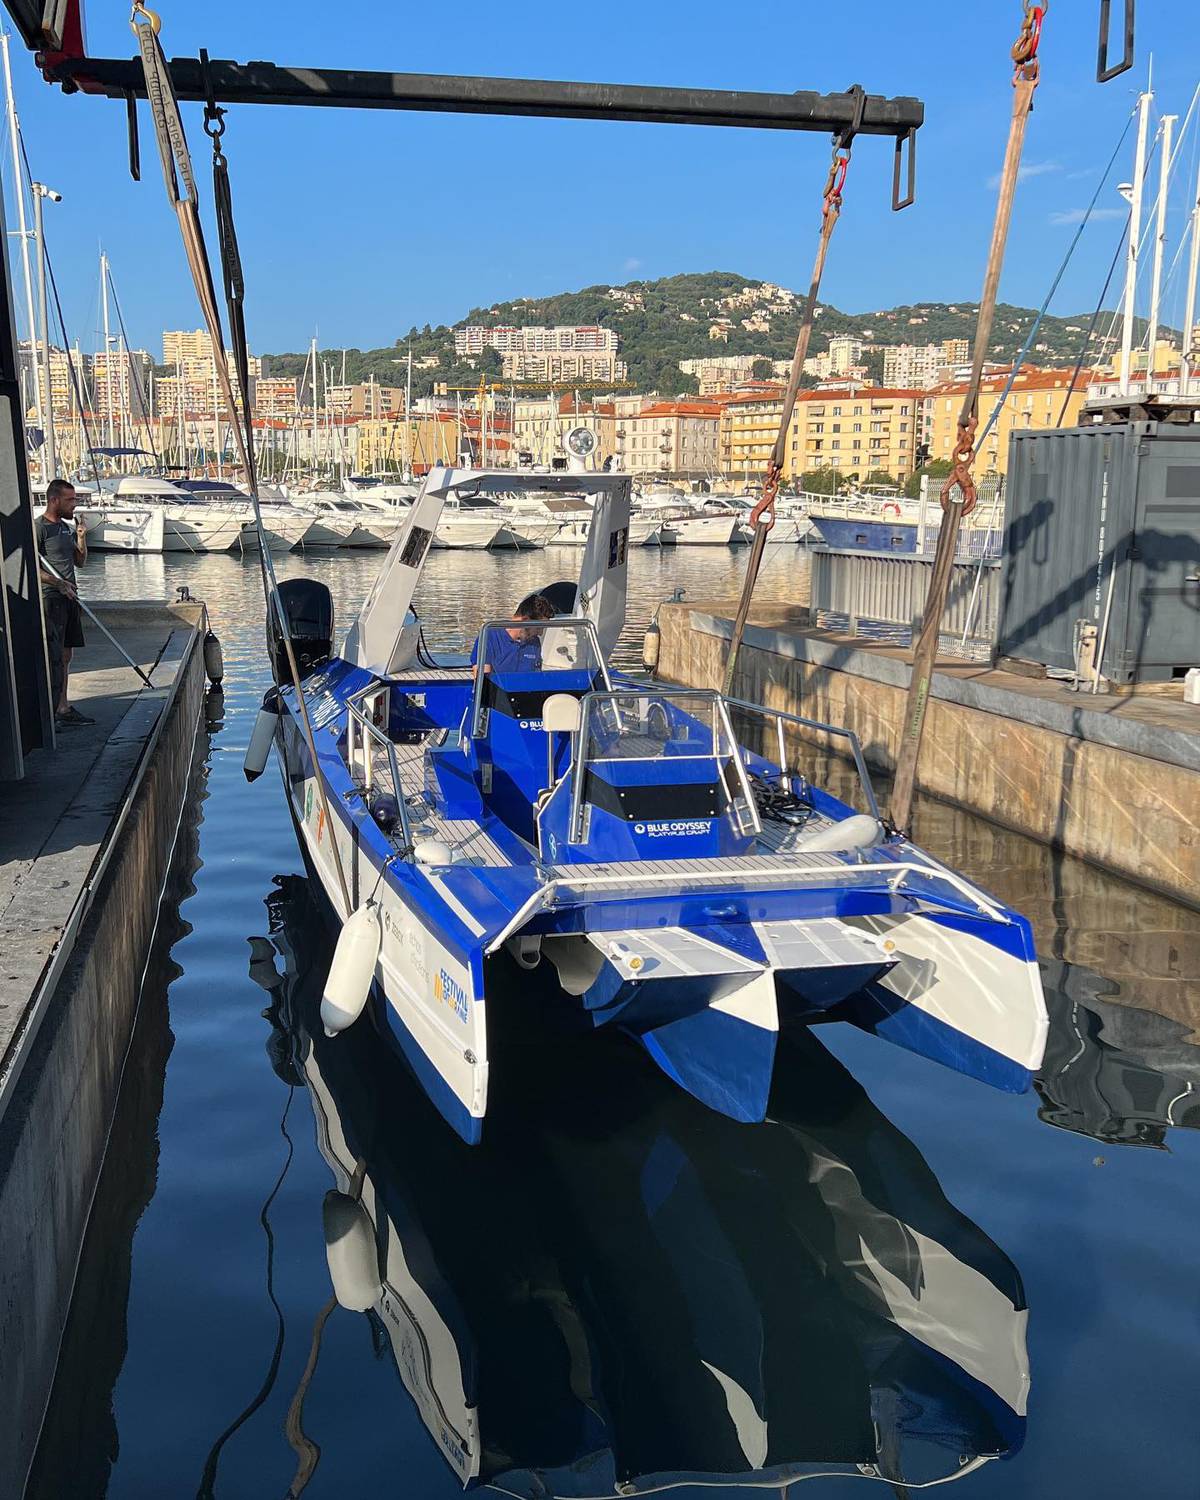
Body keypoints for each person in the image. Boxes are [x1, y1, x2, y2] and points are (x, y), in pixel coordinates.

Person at [35, 477, 93, 727]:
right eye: (70, 500)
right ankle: (50, 711)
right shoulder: (40, 528)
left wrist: (81, 537)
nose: (75, 505)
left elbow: (80, 562)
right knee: (54, 657)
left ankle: (63, 706)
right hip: (52, 599)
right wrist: (57, 583)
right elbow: (29, 565)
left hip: (71, 596)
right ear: (54, 500)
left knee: (66, 655)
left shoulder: (65, 528)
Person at [470, 592, 554, 675]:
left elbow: (536, 678)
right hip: (497, 688)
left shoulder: (534, 642)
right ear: (525, 621)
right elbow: (484, 682)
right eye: (539, 628)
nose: (540, 633)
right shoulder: (490, 637)